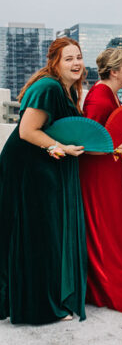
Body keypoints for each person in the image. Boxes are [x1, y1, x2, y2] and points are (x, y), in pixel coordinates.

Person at [0, 38, 87, 324]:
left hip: (41, 165)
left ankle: (31, 300)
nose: (76, 63)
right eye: (69, 59)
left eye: (78, 57)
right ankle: (39, 307)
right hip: (28, 168)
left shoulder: (65, 88)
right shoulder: (48, 87)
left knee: (40, 234)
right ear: (55, 63)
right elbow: (27, 131)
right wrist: (58, 148)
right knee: (39, 235)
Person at [79, 48, 122, 312]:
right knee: (105, 224)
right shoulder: (98, 98)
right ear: (115, 71)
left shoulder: (110, 94)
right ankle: (105, 287)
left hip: (111, 167)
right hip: (98, 174)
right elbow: (88, 144)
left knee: (115, 223)